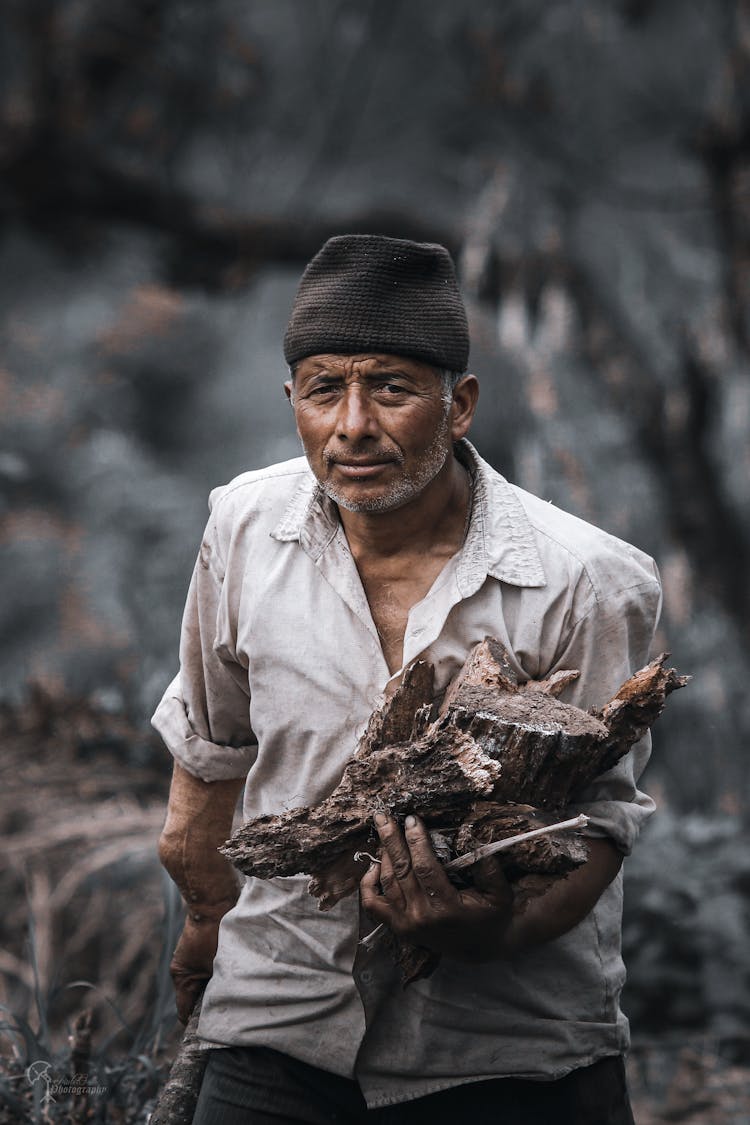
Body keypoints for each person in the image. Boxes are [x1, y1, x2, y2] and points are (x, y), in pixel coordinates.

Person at [154, 234, 661, 1124]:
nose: (352, 425)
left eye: (389, 387)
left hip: (505, 1051)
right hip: (279, 1024)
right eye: (323, 389)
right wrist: (205, 920)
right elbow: (211, 744)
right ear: (292, 400)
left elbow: (603, 821)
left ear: (458, 404)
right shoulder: (240, 526)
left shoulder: (584, 579)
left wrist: (494, 930)